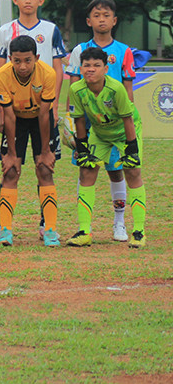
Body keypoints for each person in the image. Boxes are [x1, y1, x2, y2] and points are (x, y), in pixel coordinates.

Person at [64, 0, 136, 242]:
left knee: (117, 172)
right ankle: (85, 227)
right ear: (88, 21)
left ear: (114, 20)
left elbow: (128, 91)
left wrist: (128, 124)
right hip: (88, 124)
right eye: (96, 15)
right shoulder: (78, 50)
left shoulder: (124, 51)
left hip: (115, 125)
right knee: (87, 169)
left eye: (106, 15)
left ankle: (119, 223)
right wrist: (70, 123)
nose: (101, 19)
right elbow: (73, 88)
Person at [67, 47, 146, 248]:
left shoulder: (116, 88)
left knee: (132, 171)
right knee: (86, 171)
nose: (90, 69)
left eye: (96, 65)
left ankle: (138, 232)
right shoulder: (76, 89)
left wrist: (131, 150)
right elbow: (79, 121)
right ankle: (84, 231)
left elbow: (128, 119)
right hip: (100, 132)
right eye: (86, 65)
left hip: (125, 130)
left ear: (106, 68)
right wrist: (83, 149)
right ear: (80, 67)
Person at [0, 36, 60, 247]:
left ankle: (49, 230)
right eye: (17, 60)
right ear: (10, 58)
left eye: (28, 60)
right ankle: (6, 230)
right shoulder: (1, 76)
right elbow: (9, 116)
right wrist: (12, 153)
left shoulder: (48, 74)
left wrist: (46, 150)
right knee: (10, 171)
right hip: (17, 120)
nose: (22, 66)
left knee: (44, 169)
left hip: (41, 120)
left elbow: (43, 115)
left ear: (37, 58)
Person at [0, 0, 66, 108]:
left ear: (40, 1)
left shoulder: (51, 29)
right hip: (15, 101)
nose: (28, 1)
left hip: (44, 98)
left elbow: (58, 69)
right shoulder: (5, 31)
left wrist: (54, 103)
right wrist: (3, 107)